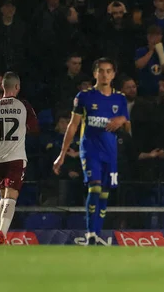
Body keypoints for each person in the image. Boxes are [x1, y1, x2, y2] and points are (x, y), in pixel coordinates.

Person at [52, 58, 130, 245]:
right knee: (94, 187)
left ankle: (97, 231)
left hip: (110, 152)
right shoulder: (84, 96)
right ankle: (91, 234)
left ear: (113, 74)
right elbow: (73, 125)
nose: (105, 74)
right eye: (101, 71)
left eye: (108, 71)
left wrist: (121, 120)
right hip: (90, 150)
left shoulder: (120, 98)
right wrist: (62, 155)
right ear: (95, 73)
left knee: (104, 193)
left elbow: (127, 125)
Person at [0, 72, 39, 244]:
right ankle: (2, 234)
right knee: (11, 197)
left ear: (2, 87)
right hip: (15, 157)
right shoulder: (23, 105)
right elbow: (34, 128)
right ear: (17, 87)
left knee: (3, 196)